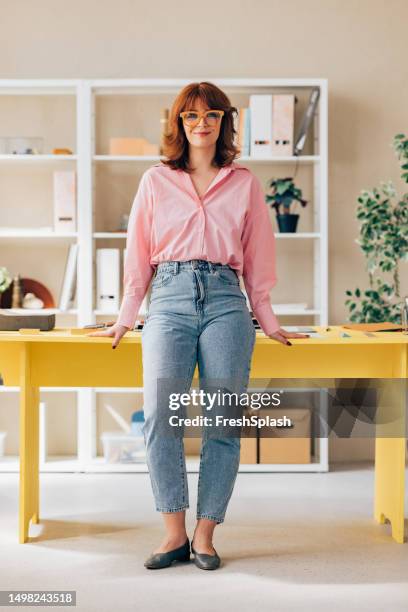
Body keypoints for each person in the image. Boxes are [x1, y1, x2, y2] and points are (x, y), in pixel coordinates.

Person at [88, 81, 310, 570]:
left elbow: (258, 257)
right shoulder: (155, 180)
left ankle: (206, 535)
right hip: (167, 299)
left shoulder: (245, 182)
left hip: (228, 302)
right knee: (162, 420)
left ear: (223, 121)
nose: (201, 123)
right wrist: (127, 317)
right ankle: (173, 535)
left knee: (222, 422)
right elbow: (138, 256)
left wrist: (268, 318)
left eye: (211, 114)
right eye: (191, 116)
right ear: (179, 124)